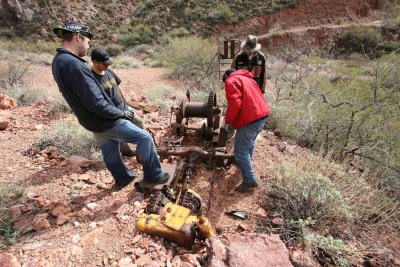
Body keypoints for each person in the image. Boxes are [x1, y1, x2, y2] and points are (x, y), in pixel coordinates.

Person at [51, 22, 168, 188]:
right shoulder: (74, 64)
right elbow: (96, 102)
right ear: (78, 37)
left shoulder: (58, 61)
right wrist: (120, 113)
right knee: (144, 138)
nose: (87, 46)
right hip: (105, 119)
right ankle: (154, 176)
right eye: (88, 42)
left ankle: (123, 178)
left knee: (110, 150)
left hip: (91, 121)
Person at [222, 68, 270, 193]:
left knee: (240, 151)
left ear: (226, 77)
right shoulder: (249, 79)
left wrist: (228, 121)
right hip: (261, 116)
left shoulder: (230, 81)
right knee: (249, 144)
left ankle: (249, 180)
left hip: (251, 118)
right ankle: (242, 163)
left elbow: (235, 103)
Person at [90, 47, 143, 157]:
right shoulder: (91, 79)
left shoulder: (108, 71)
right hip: (113, 112)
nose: (107, 65)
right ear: (95, 62)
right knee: (121, 133)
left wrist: (125, 100)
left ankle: (142, 148)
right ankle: (126, 152)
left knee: (139, 122)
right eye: (104, 63)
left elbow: (118, 85)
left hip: (124, 107)